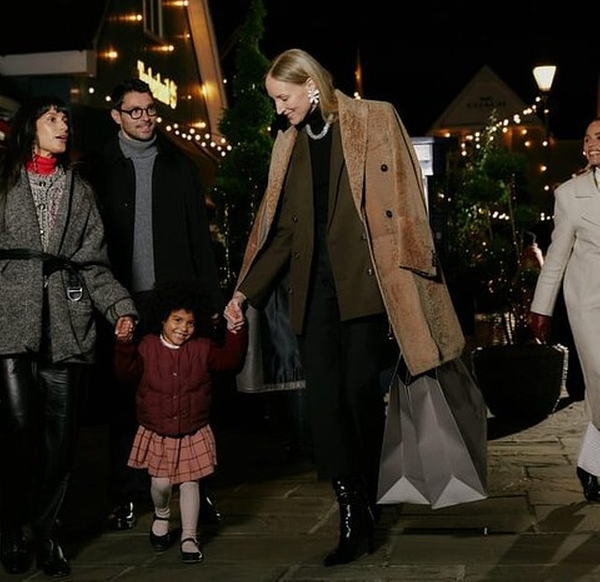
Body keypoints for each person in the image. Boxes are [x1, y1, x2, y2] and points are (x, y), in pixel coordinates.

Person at [223, 48, 464, 566]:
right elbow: (281, 232)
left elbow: (407, 195)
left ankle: (370, 492)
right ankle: (351, 509)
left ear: (310, 85)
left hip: (366, 285)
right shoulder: (287, 145)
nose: (279, 110)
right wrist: (244, 292)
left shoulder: (374, 118)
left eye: (283, 98)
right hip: (313, 292)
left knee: (358, 394)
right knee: (325, 404)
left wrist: (419, 268)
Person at [0, 95, 138, 577]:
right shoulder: (4, 183)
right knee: (18, 433)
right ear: (29, 128)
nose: (63, 126)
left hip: (66, 322)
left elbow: (94, 263)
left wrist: (120, 308)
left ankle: (47, 532)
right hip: (9, 322)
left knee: (60, 441)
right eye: (52, 118)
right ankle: (11, 528)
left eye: (65, 119)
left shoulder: (80, 191)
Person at [89, 78, 225, 531]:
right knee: (125, 398)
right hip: (120, 300)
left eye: (149, 109)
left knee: (188, 397)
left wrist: (209, 303)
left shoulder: (179, 165)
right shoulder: (100, 167)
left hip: (174, 302)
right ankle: (126, 494)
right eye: (135, 111)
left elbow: (199, 239)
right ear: (117, 116)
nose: (145, 117)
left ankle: (196, 491)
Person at [114, 283, 247, 563]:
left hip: (192, 430)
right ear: (163, 319)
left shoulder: (202, 348)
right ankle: (161, 514)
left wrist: (235, 330)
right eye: (177, 320)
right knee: (161, 484)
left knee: (190, 483)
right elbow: (126, 373)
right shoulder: (147, 347)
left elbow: (230, 361)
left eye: (190, 323)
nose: (183, 328)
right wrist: (124, 345)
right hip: (158, 430)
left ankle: (189, 536)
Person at [529, 117, 600, 502]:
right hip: (588, 302)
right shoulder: (570, 194)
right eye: (587, 138)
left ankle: (591, 462)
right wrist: (541, 308)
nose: (591, 144)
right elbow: (555, 257)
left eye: (599, 137)